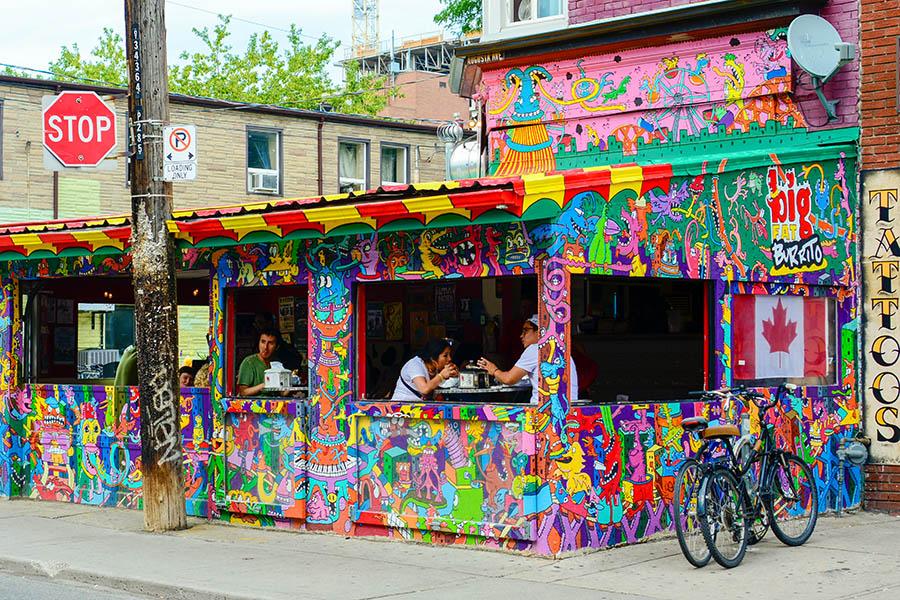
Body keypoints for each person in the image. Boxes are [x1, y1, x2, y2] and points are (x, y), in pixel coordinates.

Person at [478, 315, 579, 404]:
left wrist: (494, 370)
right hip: (569, 410)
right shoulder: (561, 351)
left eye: (525, 330)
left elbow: (509, 379)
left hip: (544, 413)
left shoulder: (535, 349)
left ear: (539, 332)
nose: (521, 336)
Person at [391, 338, 459, 401]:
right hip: (401, 407)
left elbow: (438, 385)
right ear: (433, 357)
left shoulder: (435, 367)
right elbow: (424, 389)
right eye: (445, 355)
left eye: (450, 355)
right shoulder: (415, 364)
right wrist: (441, 376)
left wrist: (453, 376)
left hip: (419, 407)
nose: (449, 359)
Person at [237, 327, 280, 396]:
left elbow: (281, 393)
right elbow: (243, 392)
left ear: (277, 347)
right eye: (263, 342)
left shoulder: (277, 363)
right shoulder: (249, 362)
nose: (265, 347)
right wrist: (264, 385)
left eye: (270, 343)